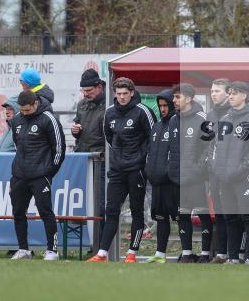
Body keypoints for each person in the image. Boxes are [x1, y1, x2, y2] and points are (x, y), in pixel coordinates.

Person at [87, 77, 156, 262]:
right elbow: (109, 137)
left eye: (126, 93)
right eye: (119, 94)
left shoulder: (143, 112)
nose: (122, 97)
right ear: (114, 94)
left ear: (132, 93)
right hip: (117, 170)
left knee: (136, 211)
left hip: (137, 169)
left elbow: (153, 139)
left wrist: (142, 160)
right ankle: (102, 253)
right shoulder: (109, 113)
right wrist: (119, 156)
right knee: (111, 210)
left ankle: (132, 252)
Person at [209, 81, 249, 264]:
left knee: (247, 217)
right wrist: (218, 170)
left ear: (244, 95)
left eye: (235, 93)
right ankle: (232, 257)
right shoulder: (224, 118)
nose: (231, 96)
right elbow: (216, 147)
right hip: (224, 178)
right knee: (230, 218)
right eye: (230, 93)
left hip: (243, 177)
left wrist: (243, 168)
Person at [8, 90, 66, 260]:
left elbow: (59, 149)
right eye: (22, 110)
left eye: (27, 110)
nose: (24, 113)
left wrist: (48, 172)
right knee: (18, 212)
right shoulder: (16, 119)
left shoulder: (48, 119)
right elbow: (17, 144)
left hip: (40, 176)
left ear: (35, 104)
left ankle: (52, 250)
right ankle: (23, 249)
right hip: (19, 175)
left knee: (45, 212)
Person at [168, 83, 213, 263]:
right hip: (179, 177)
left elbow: (209, 146)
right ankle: (186, 253)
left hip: (197, 177)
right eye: (174, 97)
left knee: (203, 214)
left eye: (177, 97)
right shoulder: (173, 120)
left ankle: (204, 254)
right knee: (183, 215)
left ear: (189, 98)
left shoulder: (202, 118)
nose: (174, 100)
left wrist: (198, 167)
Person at [143, 90, 176, 263]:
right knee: (161, 218)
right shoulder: (156, 126)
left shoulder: (177, 124)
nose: (163, 109)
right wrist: (150, 171)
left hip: (171, 182)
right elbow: (150, 151)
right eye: (160, 105)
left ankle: (186, 253)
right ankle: (160, 254)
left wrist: (170, 172)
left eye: (165, 105)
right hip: (156, 181)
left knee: (179, 217)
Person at [205, 78, 232, 263]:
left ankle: (235, 254)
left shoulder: (237, 113)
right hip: (214, 173)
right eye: (212, 91)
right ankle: (221, 253)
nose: (213, 94)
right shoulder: (211, 115)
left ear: (228, 93)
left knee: (233, 214)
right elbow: (207, 144)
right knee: (220, 213)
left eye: (217, 91)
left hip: (232, 175)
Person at [71, 68, 106, 154]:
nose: (86, 94)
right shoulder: (81, 104)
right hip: (81, 155)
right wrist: (75, 131)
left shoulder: (109, 104)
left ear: (99, 87)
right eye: (83, 90)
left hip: (99, 158)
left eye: (89, 90)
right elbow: (77, 131)